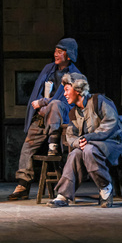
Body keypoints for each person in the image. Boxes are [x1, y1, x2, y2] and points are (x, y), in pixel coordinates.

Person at [8, 38, 80, 201]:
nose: (56, 54)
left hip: (61, 122)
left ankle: (61, 184)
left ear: (68, 55)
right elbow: (37, 90)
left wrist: (44, 103)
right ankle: (23, 184)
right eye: (55, 51)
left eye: (60, 52)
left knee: (55, 105)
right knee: (27, 147)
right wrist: (40, 106)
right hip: (41, 116)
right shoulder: (48, 69)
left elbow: (65, 101)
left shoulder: (74, 75)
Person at [48, 72, 122, 208]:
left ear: (78, 89)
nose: (64, 94)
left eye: (67, 90)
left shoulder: (98, 101)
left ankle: (105, 188)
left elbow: (110, 123)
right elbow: (70, 136)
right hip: (90, 147)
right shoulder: (73, 112)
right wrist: (78, 142)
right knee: (75, 153)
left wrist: (88, 138)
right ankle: (64, 195)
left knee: (89, 150)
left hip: (113, 144)